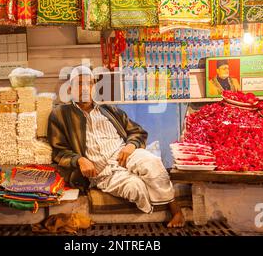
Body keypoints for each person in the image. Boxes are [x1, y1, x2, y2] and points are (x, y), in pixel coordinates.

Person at [48, 66, 185, 228]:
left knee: (152, 162)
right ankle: (154, 211)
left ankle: (176, 210)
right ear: (70, 89)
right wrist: (79, 160)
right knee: (136, 188)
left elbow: (138, 132)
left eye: (89, 83)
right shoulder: (60, 114)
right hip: (104, 172)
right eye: (79, 84)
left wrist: (131, 146)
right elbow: (58, 150)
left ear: (94, 87)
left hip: (125, 155)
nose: (85, 88)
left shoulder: (109, 110)